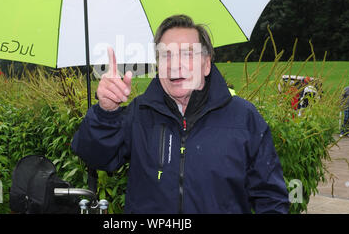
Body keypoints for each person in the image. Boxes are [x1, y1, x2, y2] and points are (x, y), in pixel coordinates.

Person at [71, 15, 290, 214]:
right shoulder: (140, 112)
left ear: (206, 64)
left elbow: (271, 198)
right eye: (166, 56)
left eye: (187, 54)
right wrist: (106, 111)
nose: (175, 65)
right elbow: (95, 156)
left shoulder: (244, 118)